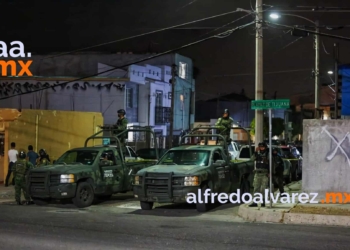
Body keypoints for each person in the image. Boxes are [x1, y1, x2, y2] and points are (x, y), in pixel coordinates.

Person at [249, 142, 269, 207]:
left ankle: (263, 201)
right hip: (257, 173)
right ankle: (255, 202)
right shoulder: (257, 153)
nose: (262, 148)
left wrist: (269, 172)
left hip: (265, 173)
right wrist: (255, 152)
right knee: (256, 188)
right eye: (260, 147)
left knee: (263, 188)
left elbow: (271, 163)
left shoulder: (268, 153)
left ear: (265, 147)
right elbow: (252, 159)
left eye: (263, 147)